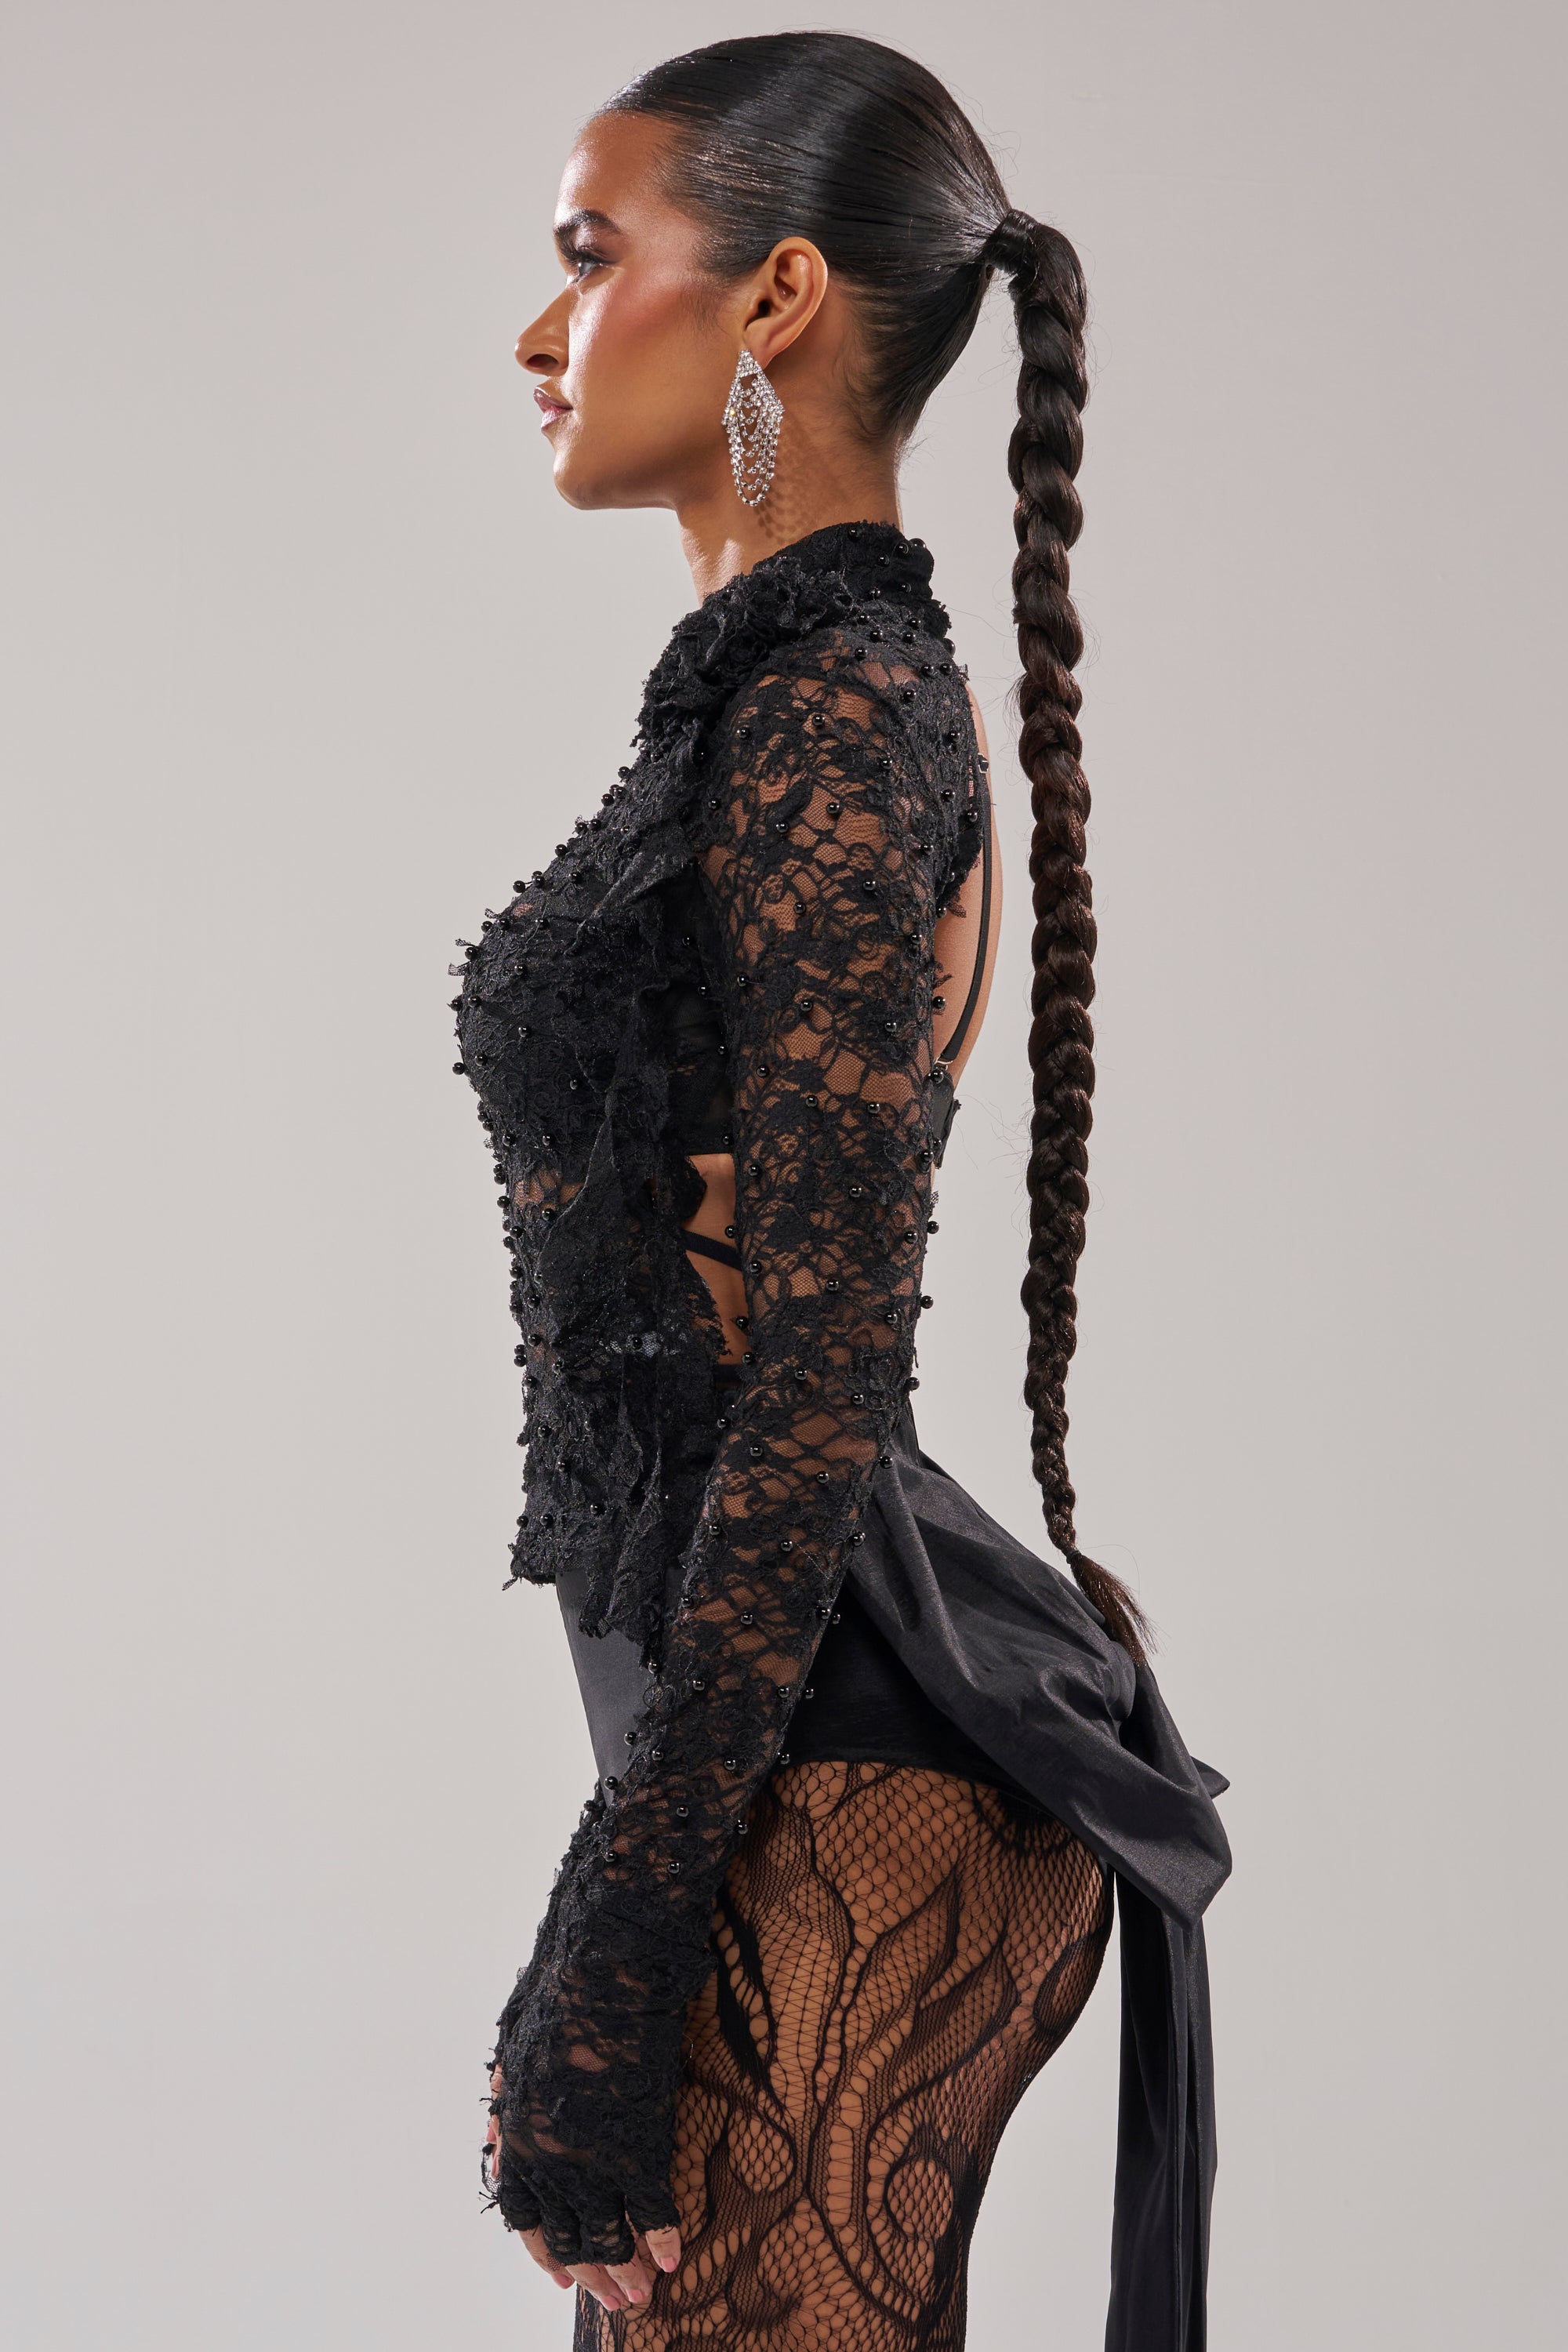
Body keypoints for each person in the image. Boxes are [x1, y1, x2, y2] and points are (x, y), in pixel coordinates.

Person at [454, 33, 1231, 2350]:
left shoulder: (829, 717)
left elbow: (812, 1385)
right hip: (753, 1750)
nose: (537, 328)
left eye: (592, 260)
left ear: (778, 295)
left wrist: (612, 1935)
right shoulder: (765, 701)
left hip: (838, 1774)